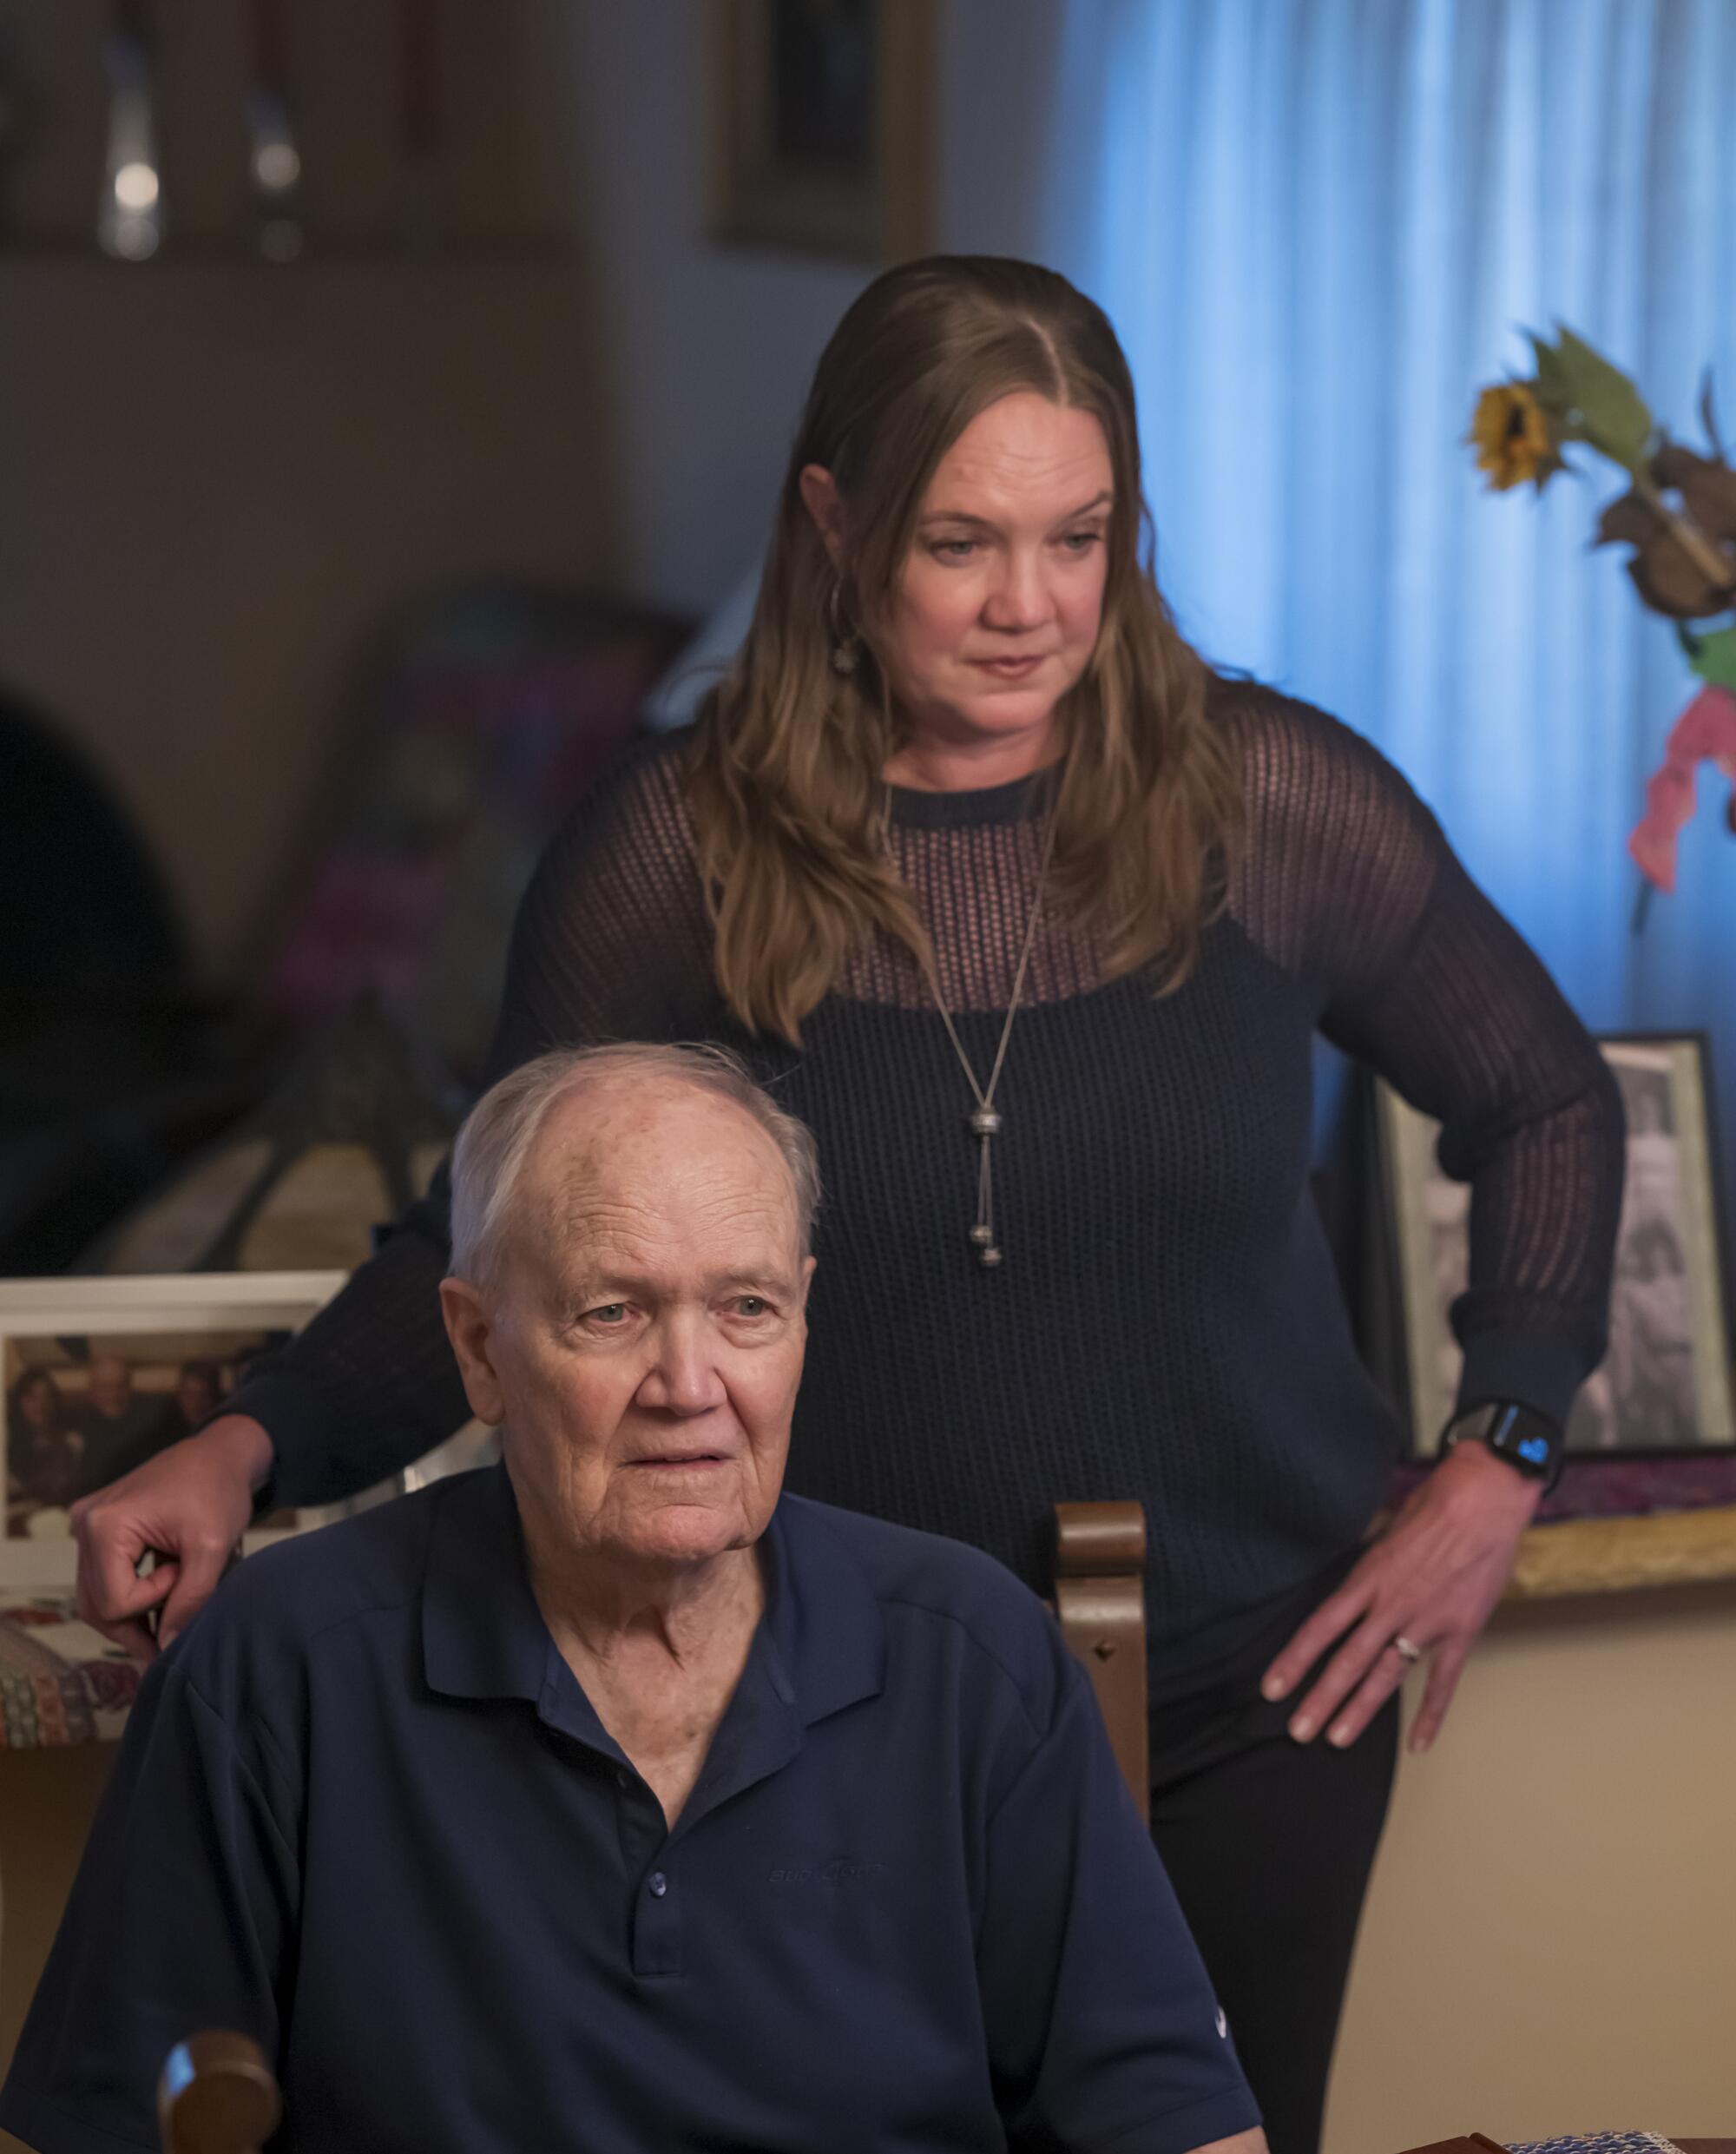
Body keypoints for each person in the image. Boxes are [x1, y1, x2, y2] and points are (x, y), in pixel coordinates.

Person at [73, 256, 1624, 2154]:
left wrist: (1499, 1457)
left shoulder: (1266, 797)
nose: (1029, 606)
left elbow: (1547, 1099)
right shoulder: (675, 847)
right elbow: (502, 1245)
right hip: (859, 1714)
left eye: (1083, 535)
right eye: (960, 540)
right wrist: (249, 1438)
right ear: (831, 520)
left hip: (1259, 1694)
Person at [6, 1047, 1266, 2154]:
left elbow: (1180, 2126)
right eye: (612, 1311)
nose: (689, 1382)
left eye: (747, 1308)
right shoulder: (274, 1672)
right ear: (478, 1348)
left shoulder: (977, 1662)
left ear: (801, 1322)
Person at [68, 1355, 164, 1495]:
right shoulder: (76, 1421)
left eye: (120, 1386)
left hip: (136, 1497)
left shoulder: (149, 1419)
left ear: (130, 1387)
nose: (113, 1395)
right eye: (105, 1387)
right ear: (92, 1389)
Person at [6, 1367, 84, 1518]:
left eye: (47, 1397)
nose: (40, 1404)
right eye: (31, 1397)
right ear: (18, 1401)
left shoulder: (72, 1443)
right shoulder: (5, 1441)